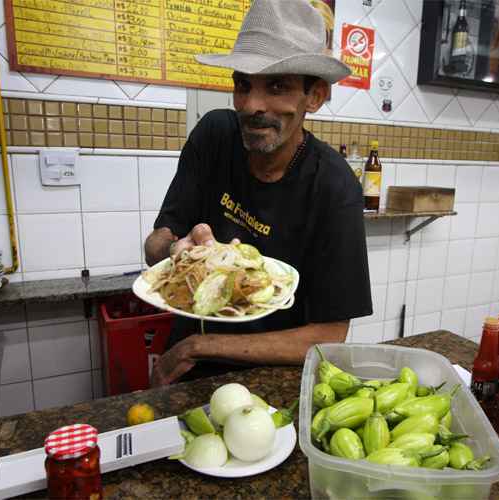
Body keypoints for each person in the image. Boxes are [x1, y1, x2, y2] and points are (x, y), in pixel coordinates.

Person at [144, 0, 372, 386]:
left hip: (274, 380)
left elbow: (328, 336)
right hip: (189, 369)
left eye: (277, 86)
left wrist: (200, 346)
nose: (251, 105)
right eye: (243, 84)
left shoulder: (334, 186)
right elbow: (155, 245)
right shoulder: (214, 135)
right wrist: (180, 253)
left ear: (313, 97)